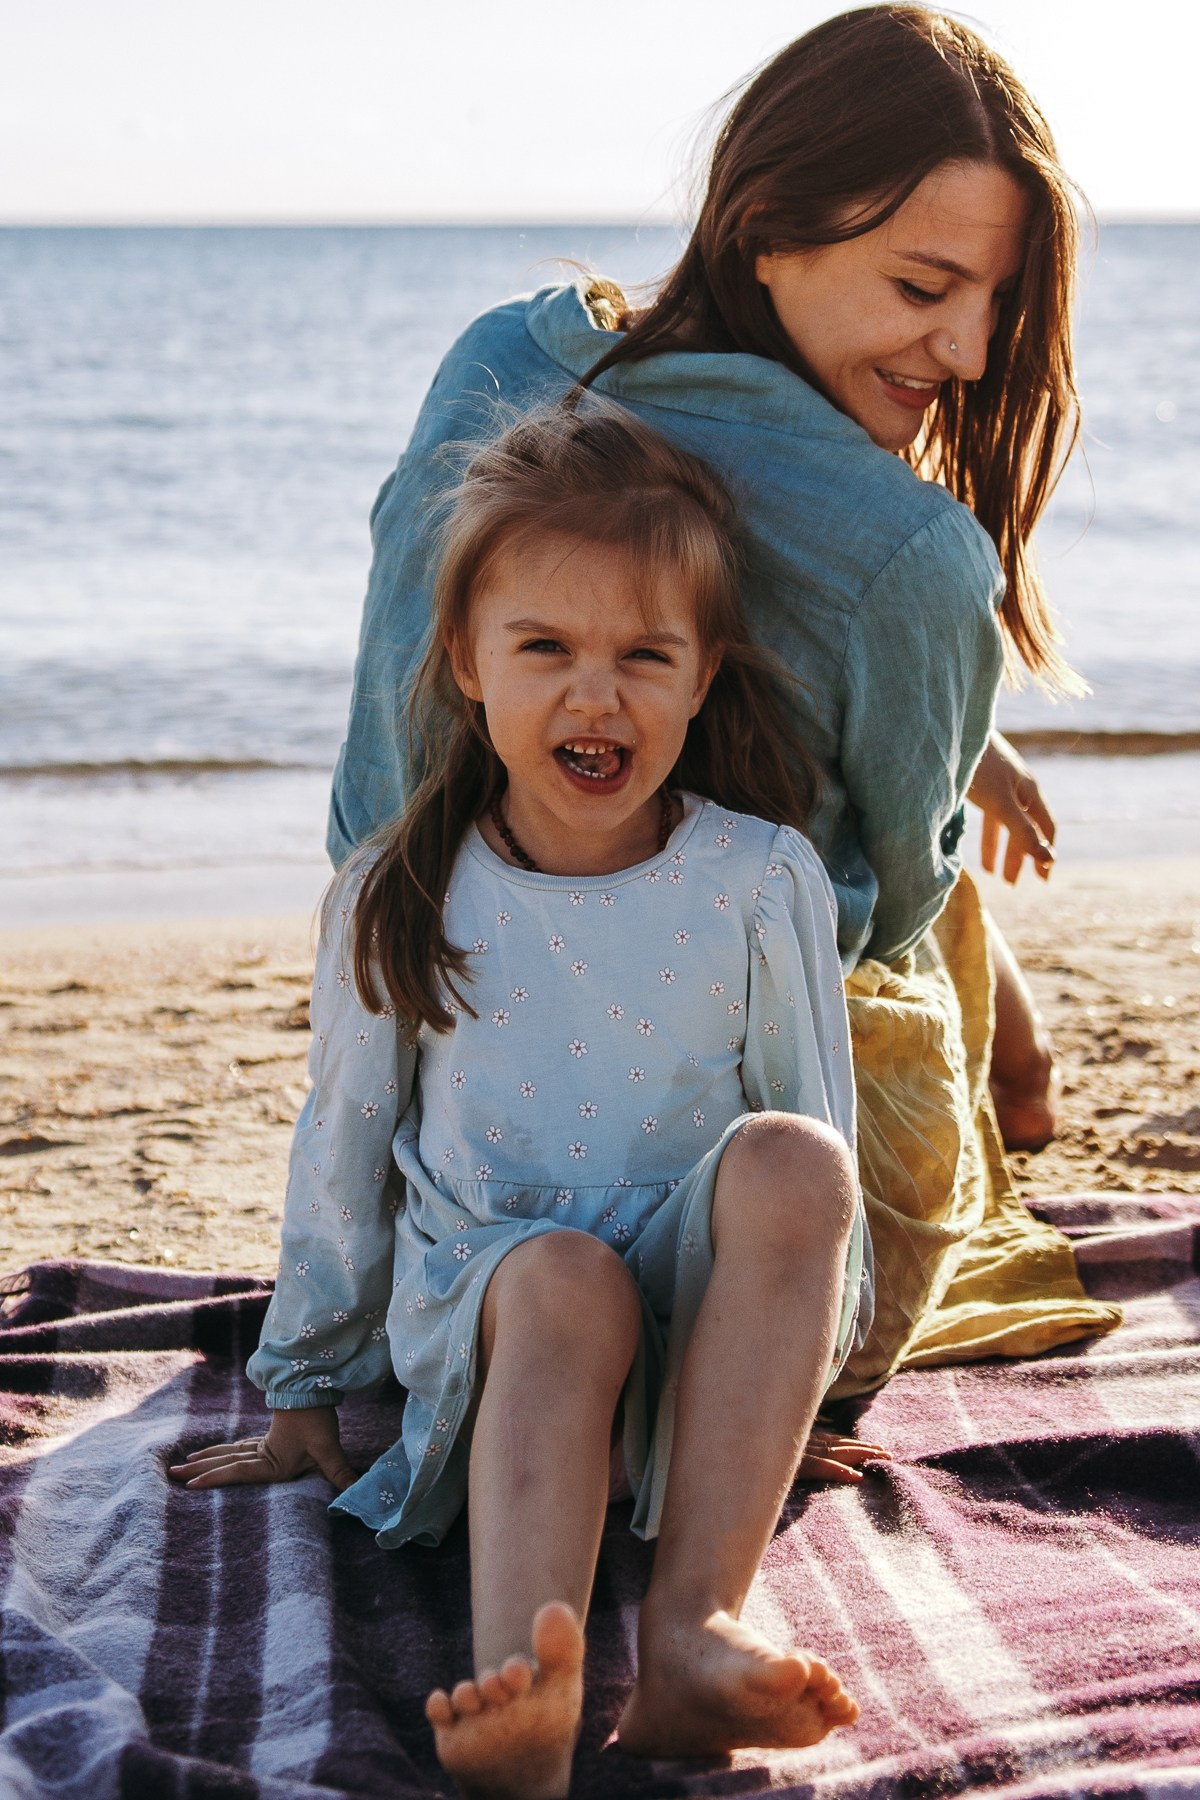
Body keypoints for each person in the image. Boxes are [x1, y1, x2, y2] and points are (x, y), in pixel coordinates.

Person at [324, 4, 1122, 1395]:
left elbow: (375, 812)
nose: (976, 355)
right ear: (766, 226)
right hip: (779, 1275)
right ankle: (1022, 1065)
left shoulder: (506, 368)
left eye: (998, 305)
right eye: (926, 288)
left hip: (454, 1198)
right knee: (898, 874)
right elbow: (880, 919)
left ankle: (1020, 1050)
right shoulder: (913, 553)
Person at [173, 401, 883, 1793]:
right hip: (505, 1322)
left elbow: (817, 1153)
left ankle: (690, 1639)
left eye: (642, 656)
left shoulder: (758, 877)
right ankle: (526, 1692)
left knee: (796, 1160)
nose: (594, 696)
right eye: (545, 649)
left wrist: (811, 1392)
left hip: (690, 1349)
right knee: (564, 1278)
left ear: (702, 678)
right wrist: (308, 1378)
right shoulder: (405, 889)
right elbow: (347, 1143)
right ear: (467, 664)